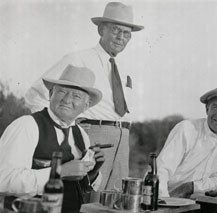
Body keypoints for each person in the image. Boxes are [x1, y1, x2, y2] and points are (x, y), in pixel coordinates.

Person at [24, 2, 144, 200]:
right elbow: (36, 94)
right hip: (91, 136)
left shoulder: (126, 68)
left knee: (115, 204)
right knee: (87, 200)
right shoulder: (78, 58)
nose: (121, 37)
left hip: (122, 141)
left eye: (126, 33)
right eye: (115, 30)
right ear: (101, 29)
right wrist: (57, 132)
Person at [0, 65, 104, 213]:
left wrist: (94, 172)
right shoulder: (26, 126)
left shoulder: (82, 135)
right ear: (50, 94)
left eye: (76, 96)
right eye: (62, 92)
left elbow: (80, 187)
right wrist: (59, 172)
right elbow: (3, 180)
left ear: (86, 105)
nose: (67, 100)